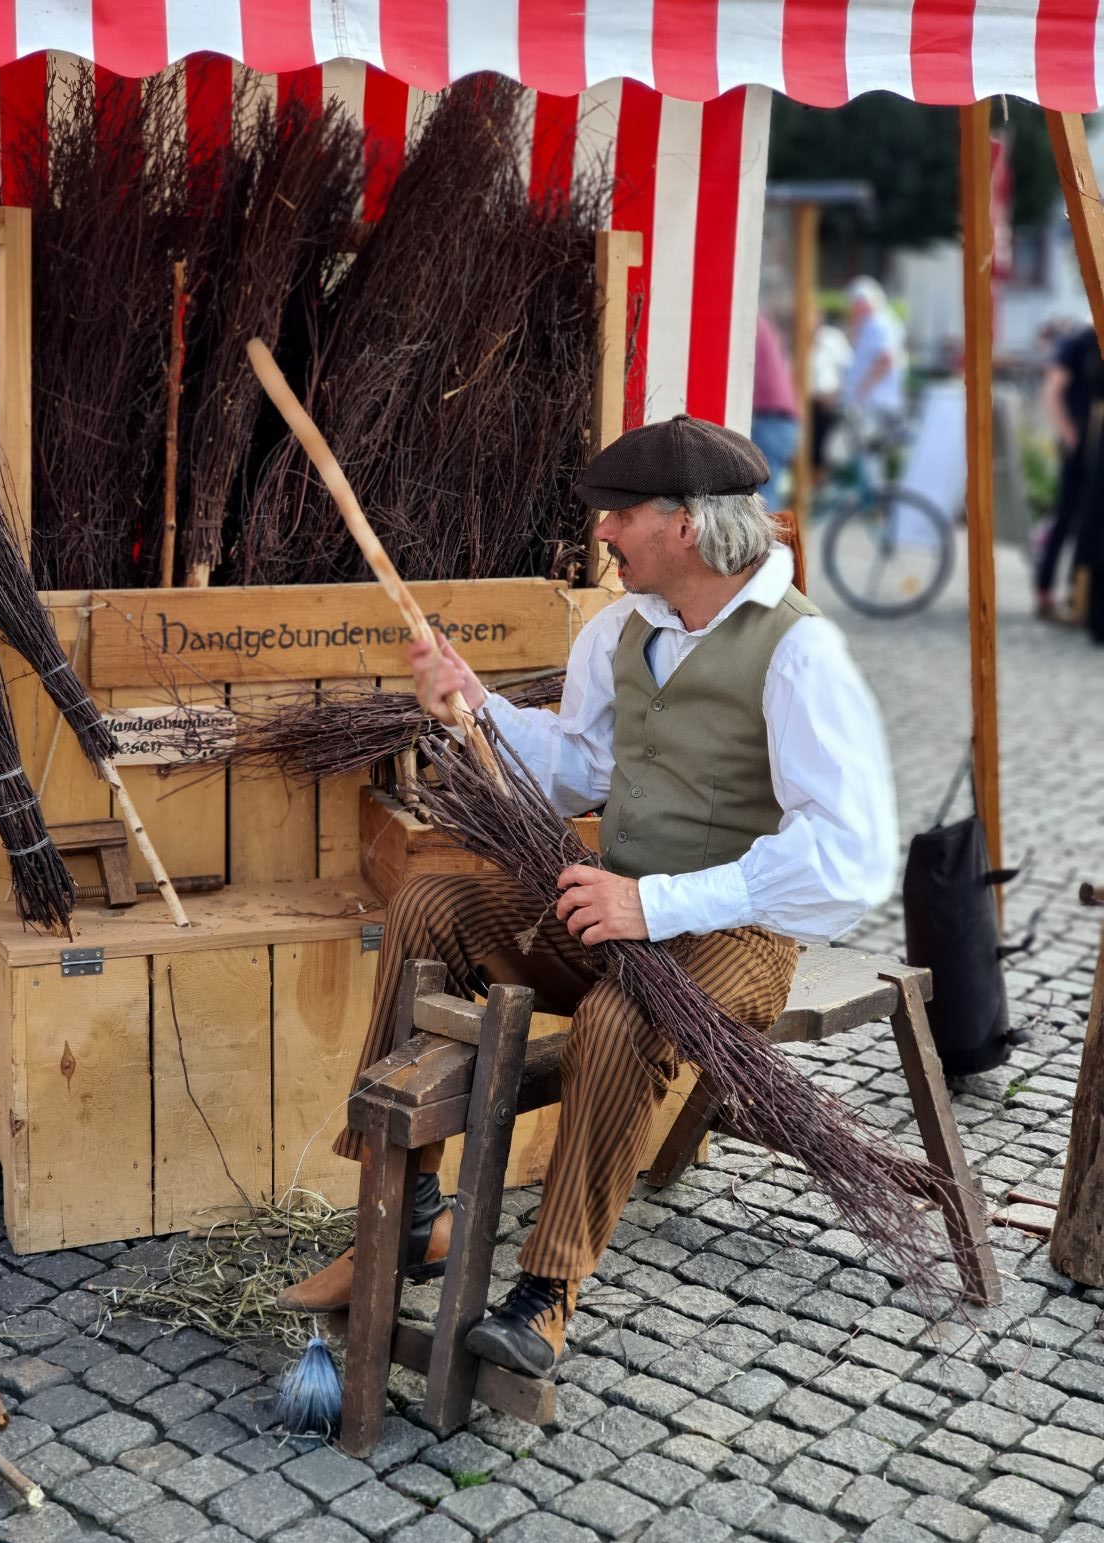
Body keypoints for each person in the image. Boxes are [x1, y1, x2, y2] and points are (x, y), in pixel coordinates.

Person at [278, 414, 898, 1378]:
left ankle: (547, 1290)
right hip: (610, 907)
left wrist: (657, 908)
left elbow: (850, 856)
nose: (600, 533)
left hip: (735, 932)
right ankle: (406, 1216)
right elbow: (576, 772)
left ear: (685, 524)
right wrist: (478, 706)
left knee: (617, 1017)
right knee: (429, 901)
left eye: (618, 515)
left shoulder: (798, 654)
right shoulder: (619, 630)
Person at [1035, 319, 1103, 620]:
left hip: (1097, 451)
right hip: (1079, 448)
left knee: (1091, 526)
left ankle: (1080, 595)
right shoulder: (1079, 342)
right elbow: (1052, 392)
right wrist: (1070, 435)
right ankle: (1045, 591)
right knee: (1065, 518)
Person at [840, 276, 906, 436]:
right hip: (872, 403)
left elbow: (886, 358)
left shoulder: (879, 323)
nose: (852, 309)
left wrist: (861, 390)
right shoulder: (873, 323)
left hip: (875, 404)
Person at [750, 311, 800, 512]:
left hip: (770, 419)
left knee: (762, 500)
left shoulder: (748, 320)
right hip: (781, 420)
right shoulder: (762, 321)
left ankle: (766, 544)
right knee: (765, 495)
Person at [810, 310, 852, 481]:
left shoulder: (833, 338)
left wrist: (837, 393)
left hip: (828, 403)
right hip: (808, 404)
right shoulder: (799, 341)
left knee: (823, 452)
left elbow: (849, 368)